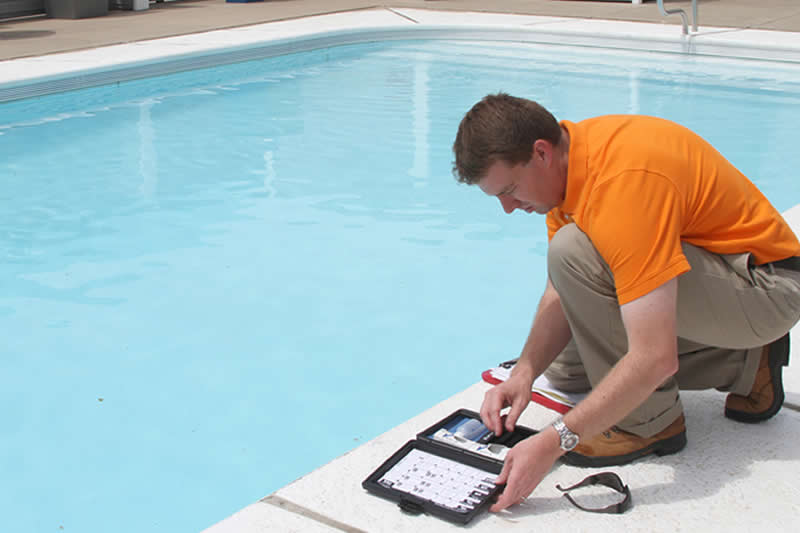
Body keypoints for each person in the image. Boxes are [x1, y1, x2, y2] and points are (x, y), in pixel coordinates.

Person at [451, 93, 800, 512]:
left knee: (575, 253)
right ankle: (744, 364)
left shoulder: (622, 185)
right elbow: (562, 289)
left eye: (508, 190)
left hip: (767, 290)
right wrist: (525, 371)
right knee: (566, 368)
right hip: (724, 280)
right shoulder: (570, 161)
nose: (507, 208)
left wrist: (555, 442)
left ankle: (650, 423)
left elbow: (654, 358)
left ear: (539, 153)